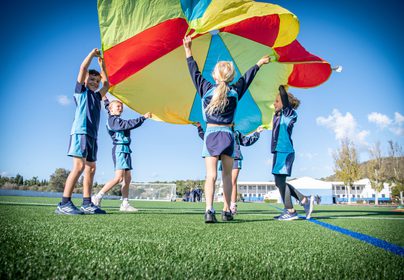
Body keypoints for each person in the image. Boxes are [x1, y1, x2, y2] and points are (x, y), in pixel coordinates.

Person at [183, 35, 270, 223]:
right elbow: (248, 77)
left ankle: (208, 210)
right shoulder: (235, 91)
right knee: (227, 177)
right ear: (231, 77)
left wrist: (188, 50)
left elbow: (194, 72)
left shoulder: (205, 88)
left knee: (211, 175)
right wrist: (259, 63)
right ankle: (227, 211)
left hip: (211, 135)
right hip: (228, 136)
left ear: (215, 75)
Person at [55, 48, 109, 215]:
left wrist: (103, 67)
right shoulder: (81, 92)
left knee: (91, 168)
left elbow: (107, 84)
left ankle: (87, 203)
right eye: (91, 79)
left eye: (96, 80)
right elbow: (83, 69)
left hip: (92, 136)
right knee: (78, 167)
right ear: (85, 81)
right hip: (81, 132)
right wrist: (92, 56)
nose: (94, 82)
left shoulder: (98, 96)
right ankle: (64, 203)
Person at [92, 97, 151, 212]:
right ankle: (97, 196)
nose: (121, 109)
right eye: (118, 107)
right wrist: (143, 118)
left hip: (126, 149)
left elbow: (108, 107)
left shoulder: (114, 117)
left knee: (128, 178)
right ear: (111, 109)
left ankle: (124, 204)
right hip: (119, 149)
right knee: (119, 178)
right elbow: (127, 124)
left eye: (121, 107)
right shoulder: (113, 121)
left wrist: (105, 100)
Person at [195, 122, 264, 215]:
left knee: (232, 181)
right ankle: (223, 207)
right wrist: (199, 128)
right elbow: (206, 137)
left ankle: (232, 206)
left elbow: (247, 141)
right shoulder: (219, 133)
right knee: (224, 181)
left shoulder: (236, 133)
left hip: (235, 157)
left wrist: (257, 132)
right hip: (224, 158)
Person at [271, 85, 314, 220]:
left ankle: (290, 211)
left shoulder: (288, 113)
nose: (274, 103)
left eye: (277, 101)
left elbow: (284, 96)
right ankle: (304, 200)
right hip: (279, 152)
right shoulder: (278, 115)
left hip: (285, 151)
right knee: (279, 182)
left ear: (284, 103)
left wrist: (281, 88)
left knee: (280, 182)